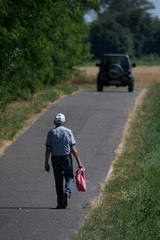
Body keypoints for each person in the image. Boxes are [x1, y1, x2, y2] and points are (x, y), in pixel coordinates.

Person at [45, 113, 83, 209]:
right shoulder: (68, 132)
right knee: (69, 177)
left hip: (55, 158)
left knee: (58, 180)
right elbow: (73, 148)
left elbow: (48, 149)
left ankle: (60, 202)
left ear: (54, 122)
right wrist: (79, 162)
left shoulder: (51, 133)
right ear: (64, 122)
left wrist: (46, 162)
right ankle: (67, 192)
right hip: (66, 157)